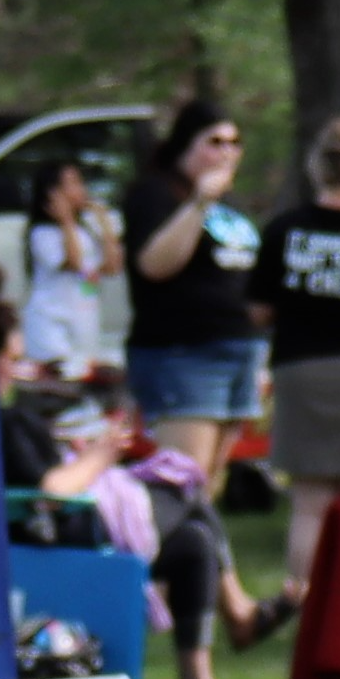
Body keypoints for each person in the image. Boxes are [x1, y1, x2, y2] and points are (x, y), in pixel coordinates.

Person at [121, 102, 268, 475]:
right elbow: (154, 265)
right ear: (185, 146)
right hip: (184, 350)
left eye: (234, 143)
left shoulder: (231, 203)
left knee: (210, 480)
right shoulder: (156, 195)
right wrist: (199, 202)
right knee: (183, 476)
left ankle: (202, 536)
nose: (227, 153)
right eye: (214, 142)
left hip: (239, 346)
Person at [256, 117, 340, 494]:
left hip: (301, 368)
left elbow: (259, 310)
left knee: (310, 500)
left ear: (317, 163)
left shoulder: (284, 229)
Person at [12, 154, 112, 380]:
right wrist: (65, 219)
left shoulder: (84, 232)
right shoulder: (42, 234)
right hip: (52, 323)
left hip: (83, 317)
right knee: (58, 378)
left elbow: (111, 266)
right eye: (72, 184)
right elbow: (74, 263)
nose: (80, 190)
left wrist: (105, 226)